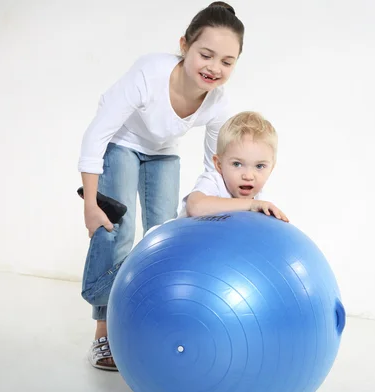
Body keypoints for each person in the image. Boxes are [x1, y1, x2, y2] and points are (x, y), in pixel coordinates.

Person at [77, 2, 245, 370]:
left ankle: (146, 324)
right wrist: (91, 203)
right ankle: (103, 333)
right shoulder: (150, 72)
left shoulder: (218, 103)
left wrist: (229, 207)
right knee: (116, 233)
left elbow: (213, 168)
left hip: (162, 153)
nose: (214, 68)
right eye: (206, 54)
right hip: (121, 143)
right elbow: (97, 134)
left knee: (161, 237)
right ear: (184, 45)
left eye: (227, 61)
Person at [81, 111, 287, 370]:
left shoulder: (256, 198)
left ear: (272, 166)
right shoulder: (213, 182)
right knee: (101, 291)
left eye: (259, 166)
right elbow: (197, 206)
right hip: (164, 261)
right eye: (237, 164)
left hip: (198, 271)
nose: (248, 175)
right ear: (219, 163)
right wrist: (251, 204)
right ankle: (101, 259)